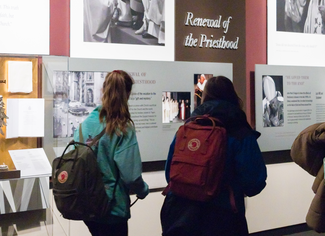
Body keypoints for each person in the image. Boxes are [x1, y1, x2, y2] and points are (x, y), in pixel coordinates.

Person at [161, 76, 267, 236]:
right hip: (223, 219)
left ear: (205, 97)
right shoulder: (240, 132)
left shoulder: (188, 128)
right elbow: (254, 182)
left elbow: (170, 173)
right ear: (232, 96)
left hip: (182, 216)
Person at [73, 70, 149, 236]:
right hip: (112, 208)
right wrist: (143, 190)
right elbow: (131, 176)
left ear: (103, 90)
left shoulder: (85, 124)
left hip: (87, 206)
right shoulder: (123, 128)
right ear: (127, 94)